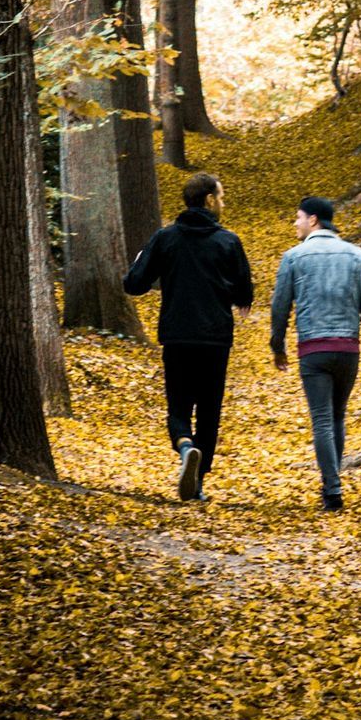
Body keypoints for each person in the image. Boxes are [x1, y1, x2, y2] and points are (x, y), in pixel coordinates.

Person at [123, 172, 254, 501]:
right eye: (220, 197)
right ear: (209, 200)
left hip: (177, 336)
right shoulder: (228, 241)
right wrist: (231, 294)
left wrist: (141, 260)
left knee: (178, 405)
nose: (222, 203)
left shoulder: (165, 238)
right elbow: (244, 293)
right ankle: (197, 483)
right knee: (209, 410)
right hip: (214, 339)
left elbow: (134, 284)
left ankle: (185, 448)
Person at [269, 192, 361, 512]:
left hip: (313, 349)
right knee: (338, 416)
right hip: (347, 349)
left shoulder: (293, 257)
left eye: (298, 217)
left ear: (313, 220)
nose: (295, 223)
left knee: (322, 420)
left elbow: (279, 306)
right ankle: (333, 482)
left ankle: (332, 489)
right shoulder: (356, 255)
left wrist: (278, 346)